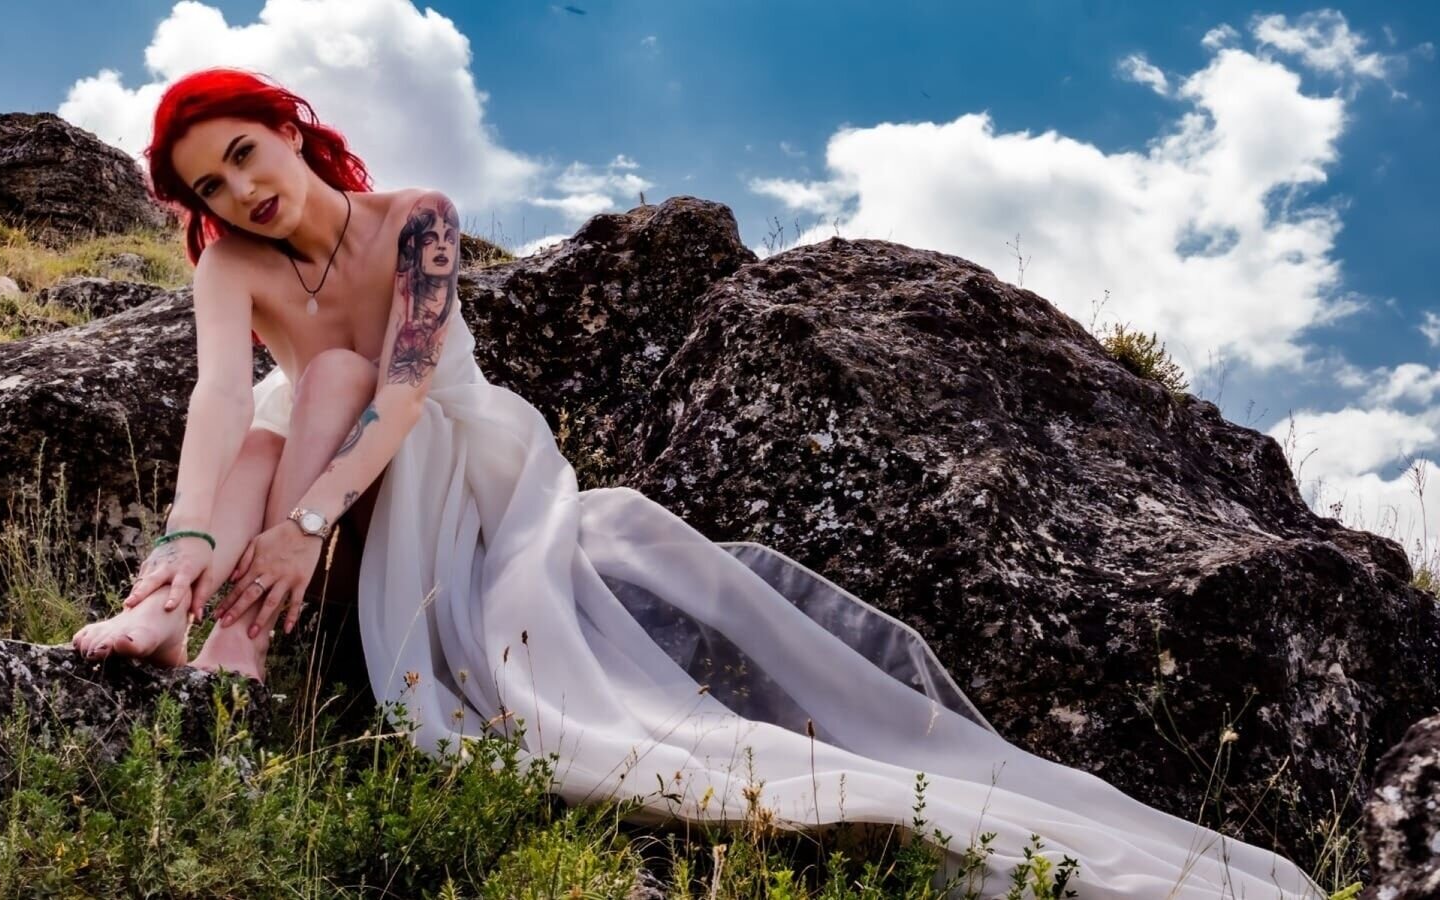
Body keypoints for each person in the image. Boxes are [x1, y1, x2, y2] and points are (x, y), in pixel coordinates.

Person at [69, 68, 1328, 898]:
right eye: (210, 186)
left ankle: (236, 636)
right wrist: (190, 533)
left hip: (447, 453)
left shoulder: (419, 217)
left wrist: (303, 525)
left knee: (342, 375)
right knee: (271, 417)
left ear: (290, 128)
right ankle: (177, 611)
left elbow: (404, 389)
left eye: (245, 154)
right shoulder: (229, 265)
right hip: (305, 454)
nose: (241, 191)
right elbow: (220, 396)